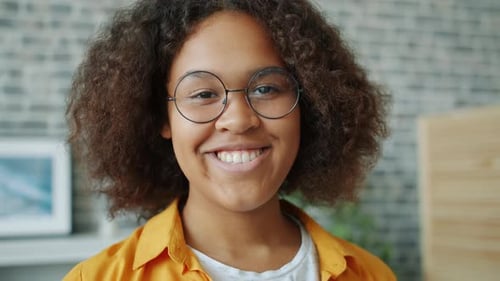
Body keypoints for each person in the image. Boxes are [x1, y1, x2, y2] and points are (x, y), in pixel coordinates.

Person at [63, 0, 395, 280]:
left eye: (266, 88)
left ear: (308, 107)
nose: (238, 119)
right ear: (162, 118)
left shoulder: (370, 274)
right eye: (204, 93)